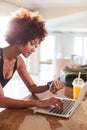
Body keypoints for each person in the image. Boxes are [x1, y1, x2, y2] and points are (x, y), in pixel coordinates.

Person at [0, 8, 64, 109]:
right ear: (19, 38)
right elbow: (1, 101)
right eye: (32, 44)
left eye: (36, 45)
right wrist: (39, 103)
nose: (34, 50)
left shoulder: (19, 61)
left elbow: (32, 88)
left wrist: (49, 85)